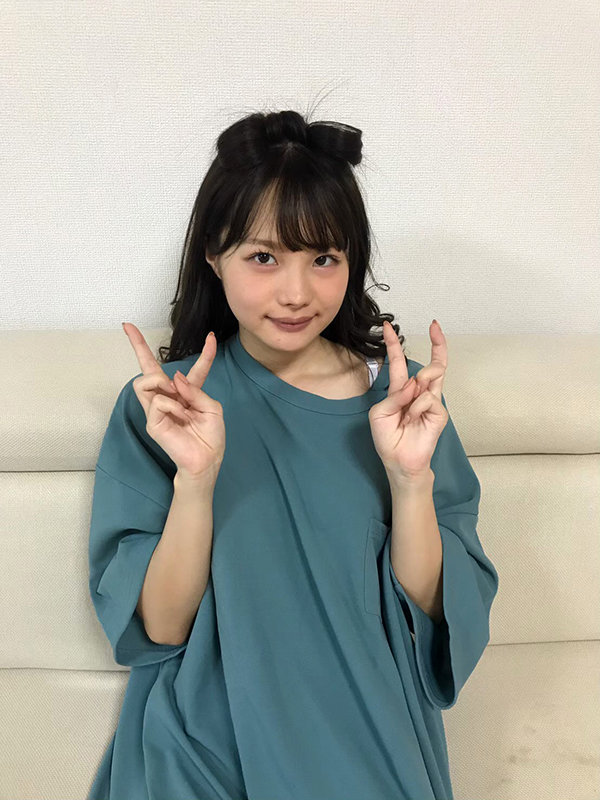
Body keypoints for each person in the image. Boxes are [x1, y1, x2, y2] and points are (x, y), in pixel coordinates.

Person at [87, 108, 499, 800]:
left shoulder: (403, 407)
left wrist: (410, 481)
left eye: (324, 258)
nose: (297, 292)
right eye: (264, 257)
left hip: (368, 736)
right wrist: (196, 481)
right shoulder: (165, 408)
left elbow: (436, 616)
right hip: (204, 748)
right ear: (213, 255)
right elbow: (159, 625)